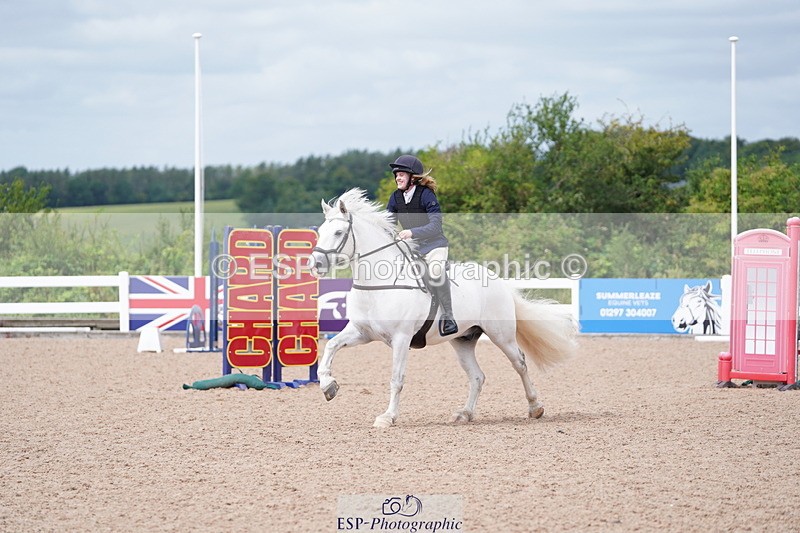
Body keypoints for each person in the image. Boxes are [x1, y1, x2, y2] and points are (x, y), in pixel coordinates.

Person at [386, 154, 458, 336]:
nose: (397, 178)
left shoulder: (426, 195)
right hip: (412, 246)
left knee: (435, 272)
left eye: (401, 174)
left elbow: (435, 226)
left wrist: (412, 232)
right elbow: (388, 225)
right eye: (396, 175)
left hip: (434, 244)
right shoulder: (395, 198)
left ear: (412, 177)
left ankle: (449, 317)